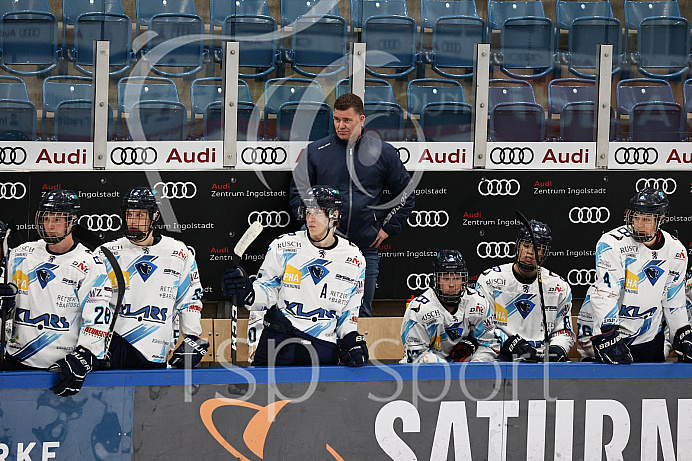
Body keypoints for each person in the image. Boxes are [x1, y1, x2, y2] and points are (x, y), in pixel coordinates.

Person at [289, 93, 415, 317]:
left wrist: (387, 229)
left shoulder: (383, 152)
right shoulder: (316, 151)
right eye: (337, 119)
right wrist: (313, 226)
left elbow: (406, 194)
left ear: (362, 119)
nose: (340, 125)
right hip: (320, 247)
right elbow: (297, 192)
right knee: (312, 311)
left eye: (347, 120)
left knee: (361, 316)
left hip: (365, 246)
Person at [222, 186, 368, 366]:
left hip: (323, 348)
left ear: (335, 215)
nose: (310, 218)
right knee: (263, 395)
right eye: (307, 211)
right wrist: (249, 294)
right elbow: (267, 289)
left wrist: (351, 337)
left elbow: (349, 312)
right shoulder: (284, 245)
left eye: (318, 212)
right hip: (280, 342)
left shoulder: (354, 258)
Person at [4, 190, 111, 396]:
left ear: (72, 221)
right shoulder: (20, 254)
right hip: (17, 362)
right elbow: (7, 304)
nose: (50, 225)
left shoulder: (90, 263)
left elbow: (97, 318)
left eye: (57, 219)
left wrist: (86, 355)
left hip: (60, 369)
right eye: (46, 218)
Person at [577, 188, 692, 363]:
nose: (638, 224)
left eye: (646, 219)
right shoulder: (611, 243)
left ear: (660, 219)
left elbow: (673, 300)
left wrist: (681, 333)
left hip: (649, 337)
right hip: (615, 335)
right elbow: (606, 292)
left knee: (652, 389)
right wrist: (608, 333)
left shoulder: (676, 251)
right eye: (635, 218)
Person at [102, 187, 207, 369]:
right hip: (113, 348)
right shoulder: (106, 253)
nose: (133, 222)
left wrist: (192, 337)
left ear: (154, 217)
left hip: (155, 350)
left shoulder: (178, 252)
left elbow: (190, 300)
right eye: (129, 215)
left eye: (140, 216)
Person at [476, 220, 575, 361]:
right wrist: (510, 343)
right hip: (501, 350)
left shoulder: (559, 286)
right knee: (480, 361)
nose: (530, 252)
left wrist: (558, 349)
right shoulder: (490, 279)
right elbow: (482, 325)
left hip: (541, 353)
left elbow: (564, 330)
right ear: (518, 246)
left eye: (537, 248)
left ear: (544, 253)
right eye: (526, 245)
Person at [401, 250, 497, 363]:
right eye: (446, 278)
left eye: (457, 278)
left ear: (463, 280)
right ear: (437, 280)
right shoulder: (419, 309)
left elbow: (488, 344)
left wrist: (472, 369)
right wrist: (449, 370)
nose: (452, 285)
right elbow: (416, 355)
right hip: (429, 374)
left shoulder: (478, 302)